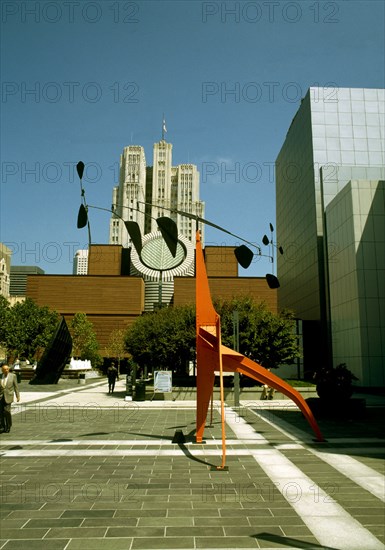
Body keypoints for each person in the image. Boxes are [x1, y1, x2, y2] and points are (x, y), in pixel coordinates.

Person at [0, 364, 20, 433]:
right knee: (1, 413)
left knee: (7, 411)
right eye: (4, 369)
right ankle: (3, 426)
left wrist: (18, 396)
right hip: (0, 397)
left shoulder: (13, 376)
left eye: (7, 369)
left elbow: (16, 386)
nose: (6, 370)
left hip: (9, 396)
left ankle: (8, 425)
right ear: (2, 370)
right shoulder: (0, 376)